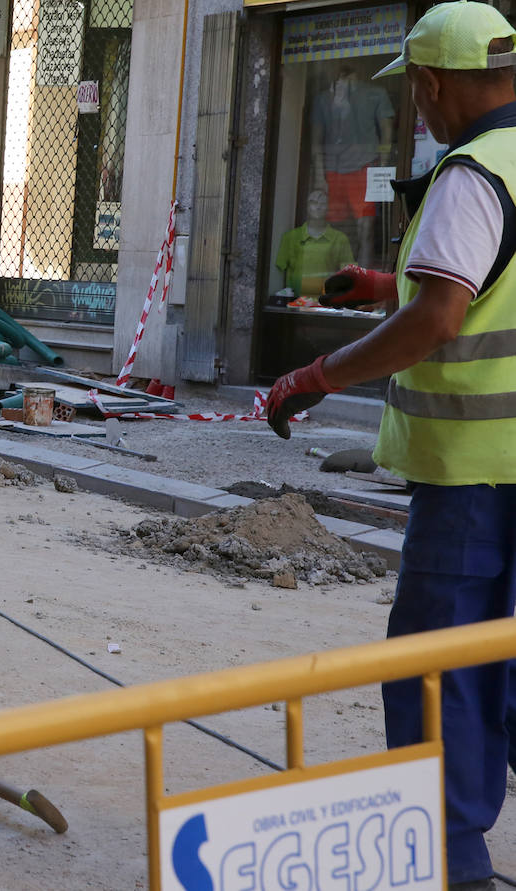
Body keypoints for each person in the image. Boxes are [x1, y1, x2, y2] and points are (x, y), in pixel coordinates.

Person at [266, 6, 516, 888]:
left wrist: (317, 375)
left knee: (435, 662)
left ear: (434, 83)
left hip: (476, 479)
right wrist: (388, 284)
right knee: (503, 666)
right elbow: (487, 286)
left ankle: (447, 857)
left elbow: (445, 315)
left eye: (414, 86)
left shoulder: (470, 174)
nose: (416, 105)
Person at [310, 64, 396, 266]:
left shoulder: (376, 94)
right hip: (333, 169)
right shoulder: (323, 99)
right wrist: (320, 175)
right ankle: (332, 281)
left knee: (365, 229)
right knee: (334, 230)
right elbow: (315, 140)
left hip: (365, 167)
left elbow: (387, 132)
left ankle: (362, 282)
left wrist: (381, 168)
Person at [273, 188, 355, 298]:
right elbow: (277, 273)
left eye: (323, 203)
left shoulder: (340, 238)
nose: (318, 206)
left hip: (327, 303)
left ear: (328, 207)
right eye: (313, 202)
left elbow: (349, 275)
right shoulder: (290, 237)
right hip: (296, 303)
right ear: (307, 206)